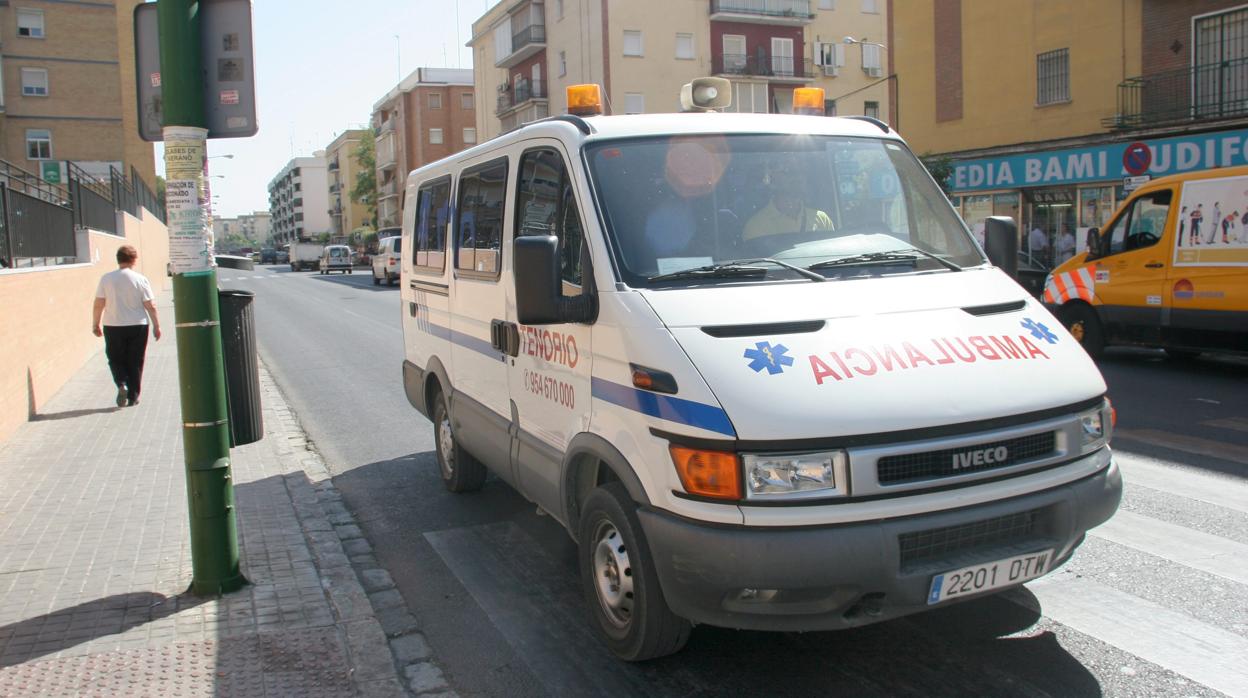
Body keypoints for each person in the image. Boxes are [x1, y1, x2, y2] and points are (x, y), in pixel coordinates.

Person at [92, 245, 161, 407]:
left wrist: (95, 323)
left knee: (115, 358)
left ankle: (121, 382)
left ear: (118, 259)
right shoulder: (140, 279)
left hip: (113, 325)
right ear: (134, 260)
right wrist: (157, 326)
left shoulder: (106, 279)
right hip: (138, 325)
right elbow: (150, 305)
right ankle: (133, 396)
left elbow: (99, 303)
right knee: (135, 360)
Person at [743, 166, 833, 241]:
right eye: (790, 172)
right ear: (773, 178)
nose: (798, 178)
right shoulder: (756, 226)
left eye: (802, 172)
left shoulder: (822, 219)